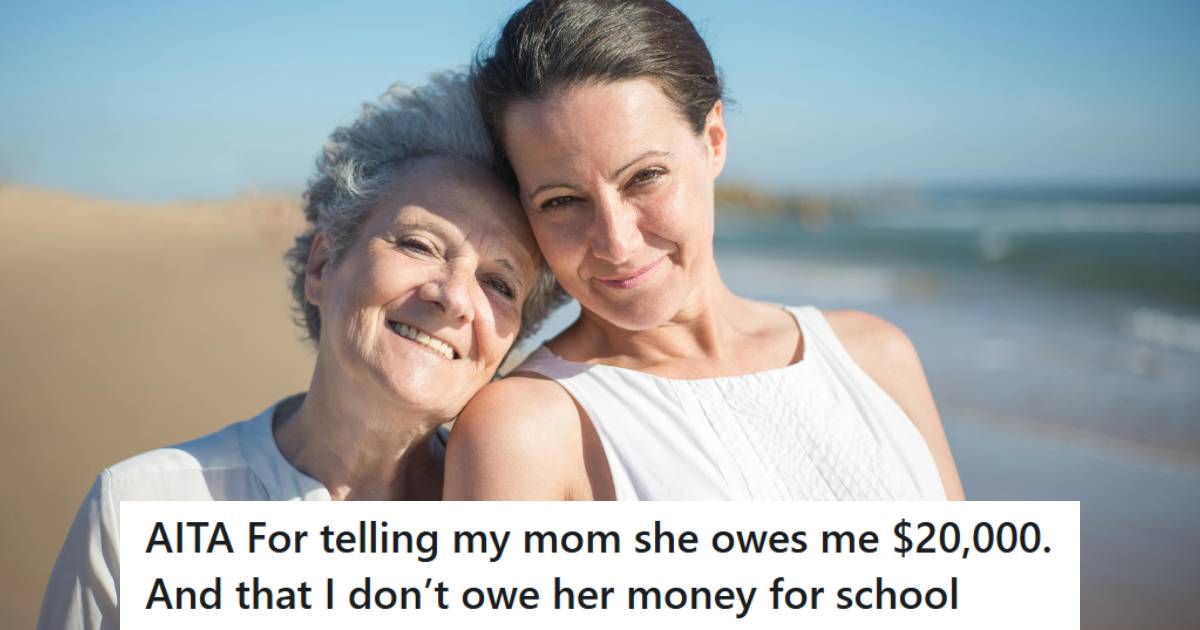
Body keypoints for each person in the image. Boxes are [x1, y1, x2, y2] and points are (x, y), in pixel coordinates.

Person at [38, 71, 561, 629]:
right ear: (322, 266)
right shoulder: (143, 508)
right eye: (420, 244)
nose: (454, 297)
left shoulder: (531, 534)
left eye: (500, 284)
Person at [445, 0, 965, 501]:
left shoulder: (875, 356)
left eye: (645, 176)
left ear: (713, 140)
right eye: (561, 200)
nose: (616, 242)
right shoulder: (522, 430)